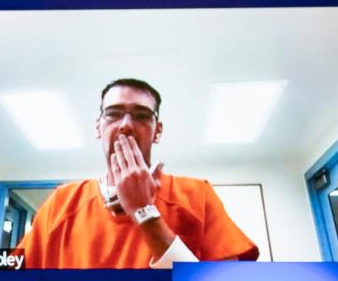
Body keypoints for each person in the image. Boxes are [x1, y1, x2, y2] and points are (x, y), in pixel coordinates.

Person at [15, 78, 258, 269]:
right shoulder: (61, 203)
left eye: (142, 115)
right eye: (113, 113)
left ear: (157, 131)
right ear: (98, 127)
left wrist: (144, 211)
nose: (126, 125)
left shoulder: (197, 195)